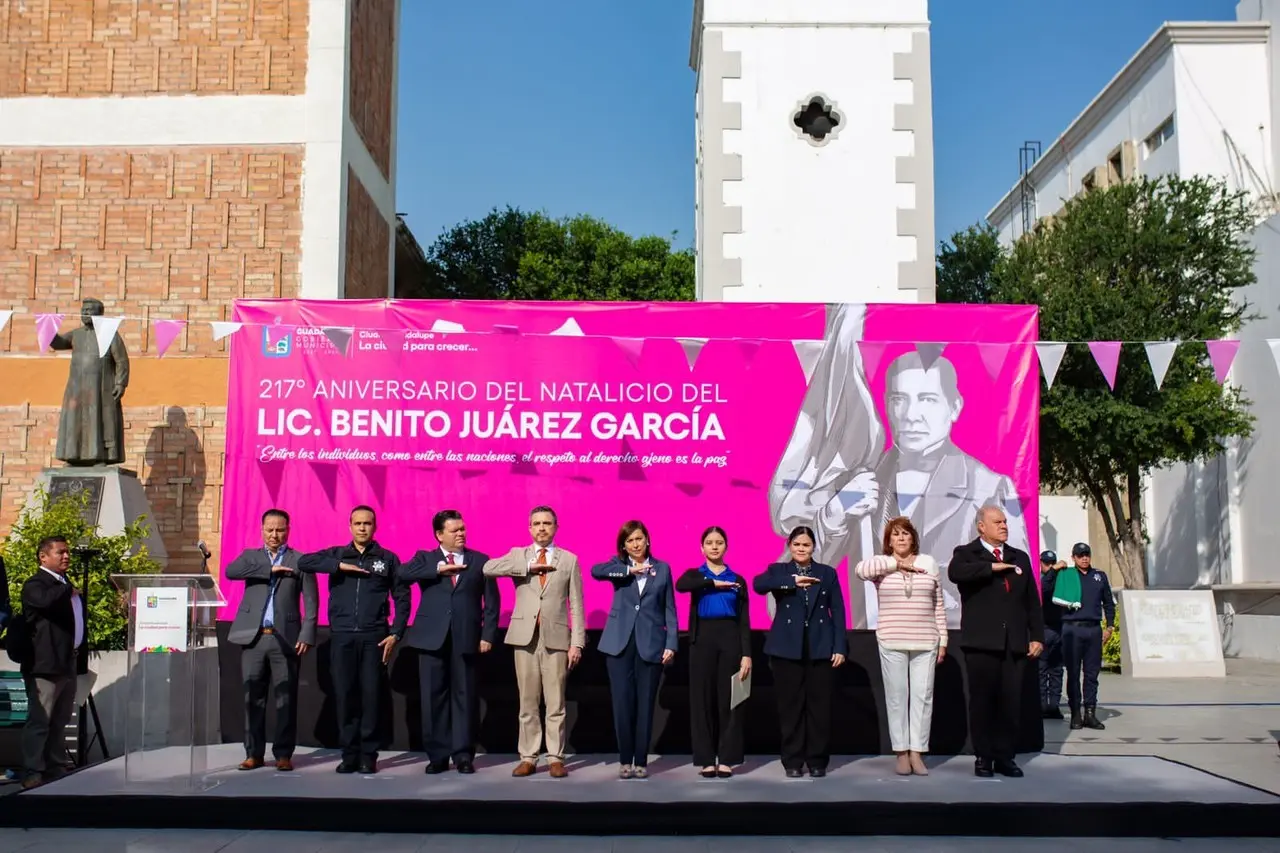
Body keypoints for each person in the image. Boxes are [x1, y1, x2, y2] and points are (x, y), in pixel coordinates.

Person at [771, 331, 1029, 631]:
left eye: (927, 399)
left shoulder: (990, 488)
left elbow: (1016, 580)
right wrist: (833, 515)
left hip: (953, 640)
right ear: (886, 405)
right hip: (873, 645)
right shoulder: (855, 483)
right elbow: (780, 597)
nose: (911, 415)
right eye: (899, 399)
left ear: (955, 406)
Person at [298, 505, 410, 774]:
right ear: (350, 526)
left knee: (371, 697)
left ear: (375, 527)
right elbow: (304, 562)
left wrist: (396, 633)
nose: (362, 528)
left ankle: (368, 755)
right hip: (343, 636)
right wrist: (338, 566)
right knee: (346, 696)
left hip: (374, 638)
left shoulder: (387, 559)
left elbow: (403, 597)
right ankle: (349, 755)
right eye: (358, 523)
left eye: (367, 523)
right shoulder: (337, 554)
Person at [483, 505, 583, 778]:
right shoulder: (519, 555)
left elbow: (576, 603)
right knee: (527, 701)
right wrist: (527, 566)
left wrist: (577, 642)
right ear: (529, 528)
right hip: (524, 638)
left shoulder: (569, 559)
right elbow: (488, 568)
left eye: (547, 523)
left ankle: (555, 758)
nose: (542, 528)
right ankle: (528, 756)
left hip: (556, 639)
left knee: (556, 703)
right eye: (537, 523)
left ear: (556, 527)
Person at [948, 505, 1044, 778]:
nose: (1003, 525)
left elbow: (1031, 602)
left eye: (1004, 521)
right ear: (982, 526)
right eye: (997, 522)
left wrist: (1036, 635)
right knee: (982, 703)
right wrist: (992, 567)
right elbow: (956, 574)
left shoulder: (1019, 558)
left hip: (1013, 643)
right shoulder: (966, 554)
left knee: (1010, 703)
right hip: (981, 643)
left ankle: (1005, 756)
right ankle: (984, 757)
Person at [401, 509, 499, 775]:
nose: (461, 534)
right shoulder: (426, 559)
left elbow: (491, 603)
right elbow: (402, 574)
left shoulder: (480, 560)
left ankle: (463, 755)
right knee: (433, 699)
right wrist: (437, 570)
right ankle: (437, 755)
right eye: (455, 530)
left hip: (466, 638)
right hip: (431, 639)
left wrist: (487, 635)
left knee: (465, 697)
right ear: (439, 534)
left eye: (463, 529)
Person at [224, 508, 318, 772]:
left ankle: (283, 754)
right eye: (269, 530)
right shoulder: (250, 557)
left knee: (285, 700)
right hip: (253, 638)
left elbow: (311, 601)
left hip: (285, 639)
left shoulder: (300, 560)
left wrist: (307, 632)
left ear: (288, 529)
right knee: (252, 698)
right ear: (261, 529)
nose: (274, 535)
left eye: (280, 530)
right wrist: (270, 568)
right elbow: (231, 571)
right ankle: (253, 753)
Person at [854, 516, 946, 776]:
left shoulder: (928, 563)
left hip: (926, 640)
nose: (901, 538)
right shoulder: (882, 566)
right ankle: (901, 753)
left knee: (922, 697)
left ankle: (917, 752)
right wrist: (896, 563)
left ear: (913, 538)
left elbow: (937, 603)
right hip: (892, 639)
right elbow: (860, 570)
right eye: (896, 534)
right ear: (889, 541)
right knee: (897, 698)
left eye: (905, 534)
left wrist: (943, 640)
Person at [753, 526, 847, 778]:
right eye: (796, 545)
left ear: (814, 547)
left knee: (819, 708)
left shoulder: (826, 573)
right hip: (786, 649)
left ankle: (817, 760)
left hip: (819, 647)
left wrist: (839, 646)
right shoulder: (779, 571)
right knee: (790, 708)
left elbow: (837, 611)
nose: (801, 549)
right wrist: (791, 582)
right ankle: (792, 761)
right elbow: (758, 585)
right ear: (789, 546)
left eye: (806, 545)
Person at [591, 520, 678, 779]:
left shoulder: (662, 569)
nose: (635, 544)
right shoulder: (617, 567)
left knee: (645, 705)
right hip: (619, 645)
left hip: (650, 644)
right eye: (629, 541)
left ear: (647, 540)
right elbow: (596, 571)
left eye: (639, 539)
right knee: (622, 705)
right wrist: (630, 571)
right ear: (624, 546)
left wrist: (671, 643)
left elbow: (670, 610)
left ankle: (641, 760)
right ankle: (624, 760)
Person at [675, 526, 751, 778]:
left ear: (726, 547)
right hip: (702, 640)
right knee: (702, 700)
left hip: (730, 638)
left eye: (719, 542)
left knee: (730, 699)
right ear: (702, 547)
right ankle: (706, 759)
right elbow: (681, 584)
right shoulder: (696, 575)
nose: (715, 546)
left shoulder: (737, 579)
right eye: (709, 542)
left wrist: (746, 654)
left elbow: (743, 619)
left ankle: (727, 758)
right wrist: (711, 582)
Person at [19, 536, 82, 790]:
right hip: (45, 664)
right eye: (60, 552)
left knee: (60, 719)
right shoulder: (37, 584)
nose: (66, 556)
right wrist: (66, 589)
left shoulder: (64, 584)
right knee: (41, 720)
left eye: (67, 552)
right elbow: (44, 602)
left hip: (67, 662)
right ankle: (33, 770)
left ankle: (55, 767)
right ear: (43, 557)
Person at [1043, 542, 1115, 731]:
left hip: (1093, 629)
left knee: (1092, 674)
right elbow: (1044, 588)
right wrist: (1055, 569)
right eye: (1080, 555)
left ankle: (1090, 713)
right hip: (1071, 629)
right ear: (1073, 557)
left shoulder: (1099, 576)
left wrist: (1110, 627)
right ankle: (1075, 713)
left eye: (1087, 554)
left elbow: (1109, 603)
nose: (1084, 558)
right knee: (1073, 674)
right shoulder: (1066, 575)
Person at [1038, 550, 1068, 720]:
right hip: (1043, 629)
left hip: (1059, 629)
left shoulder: (1059, 580)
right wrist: (1053, 570)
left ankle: (1053, 706)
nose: (1050, 566)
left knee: (1056, 670)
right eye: (1047, 564)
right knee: (1041, 671)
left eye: (1052, 563)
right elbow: (1043, 588)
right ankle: (1042, 706)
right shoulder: (1042, 580)